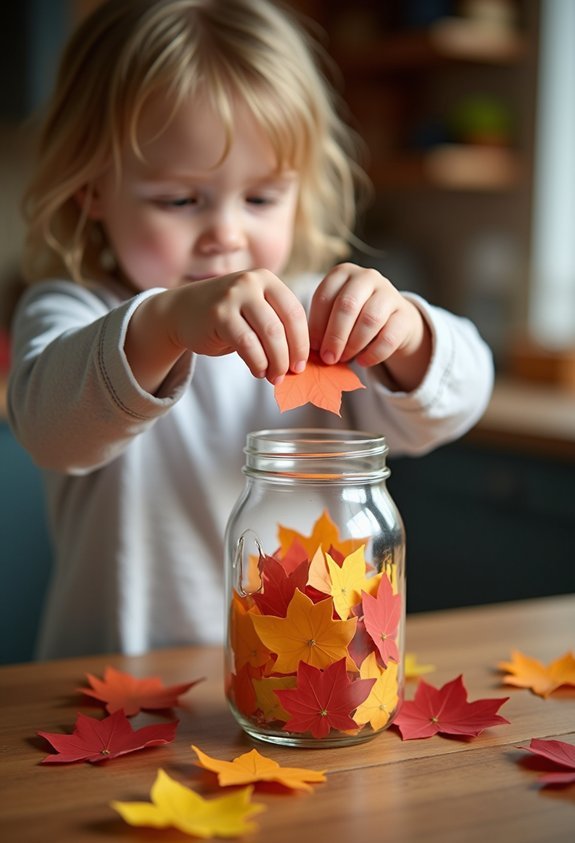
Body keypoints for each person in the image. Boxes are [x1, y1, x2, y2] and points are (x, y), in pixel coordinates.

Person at [8, 0, 493, 660]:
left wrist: (406, 333)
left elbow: (459, 398)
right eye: (181, 200)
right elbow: (49, 428)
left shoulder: (320, 316)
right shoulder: (75, 311)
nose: (226, 235)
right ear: (91, 187)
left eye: (261, 197)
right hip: (121, 695)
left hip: (308, 680)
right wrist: (167, 321)